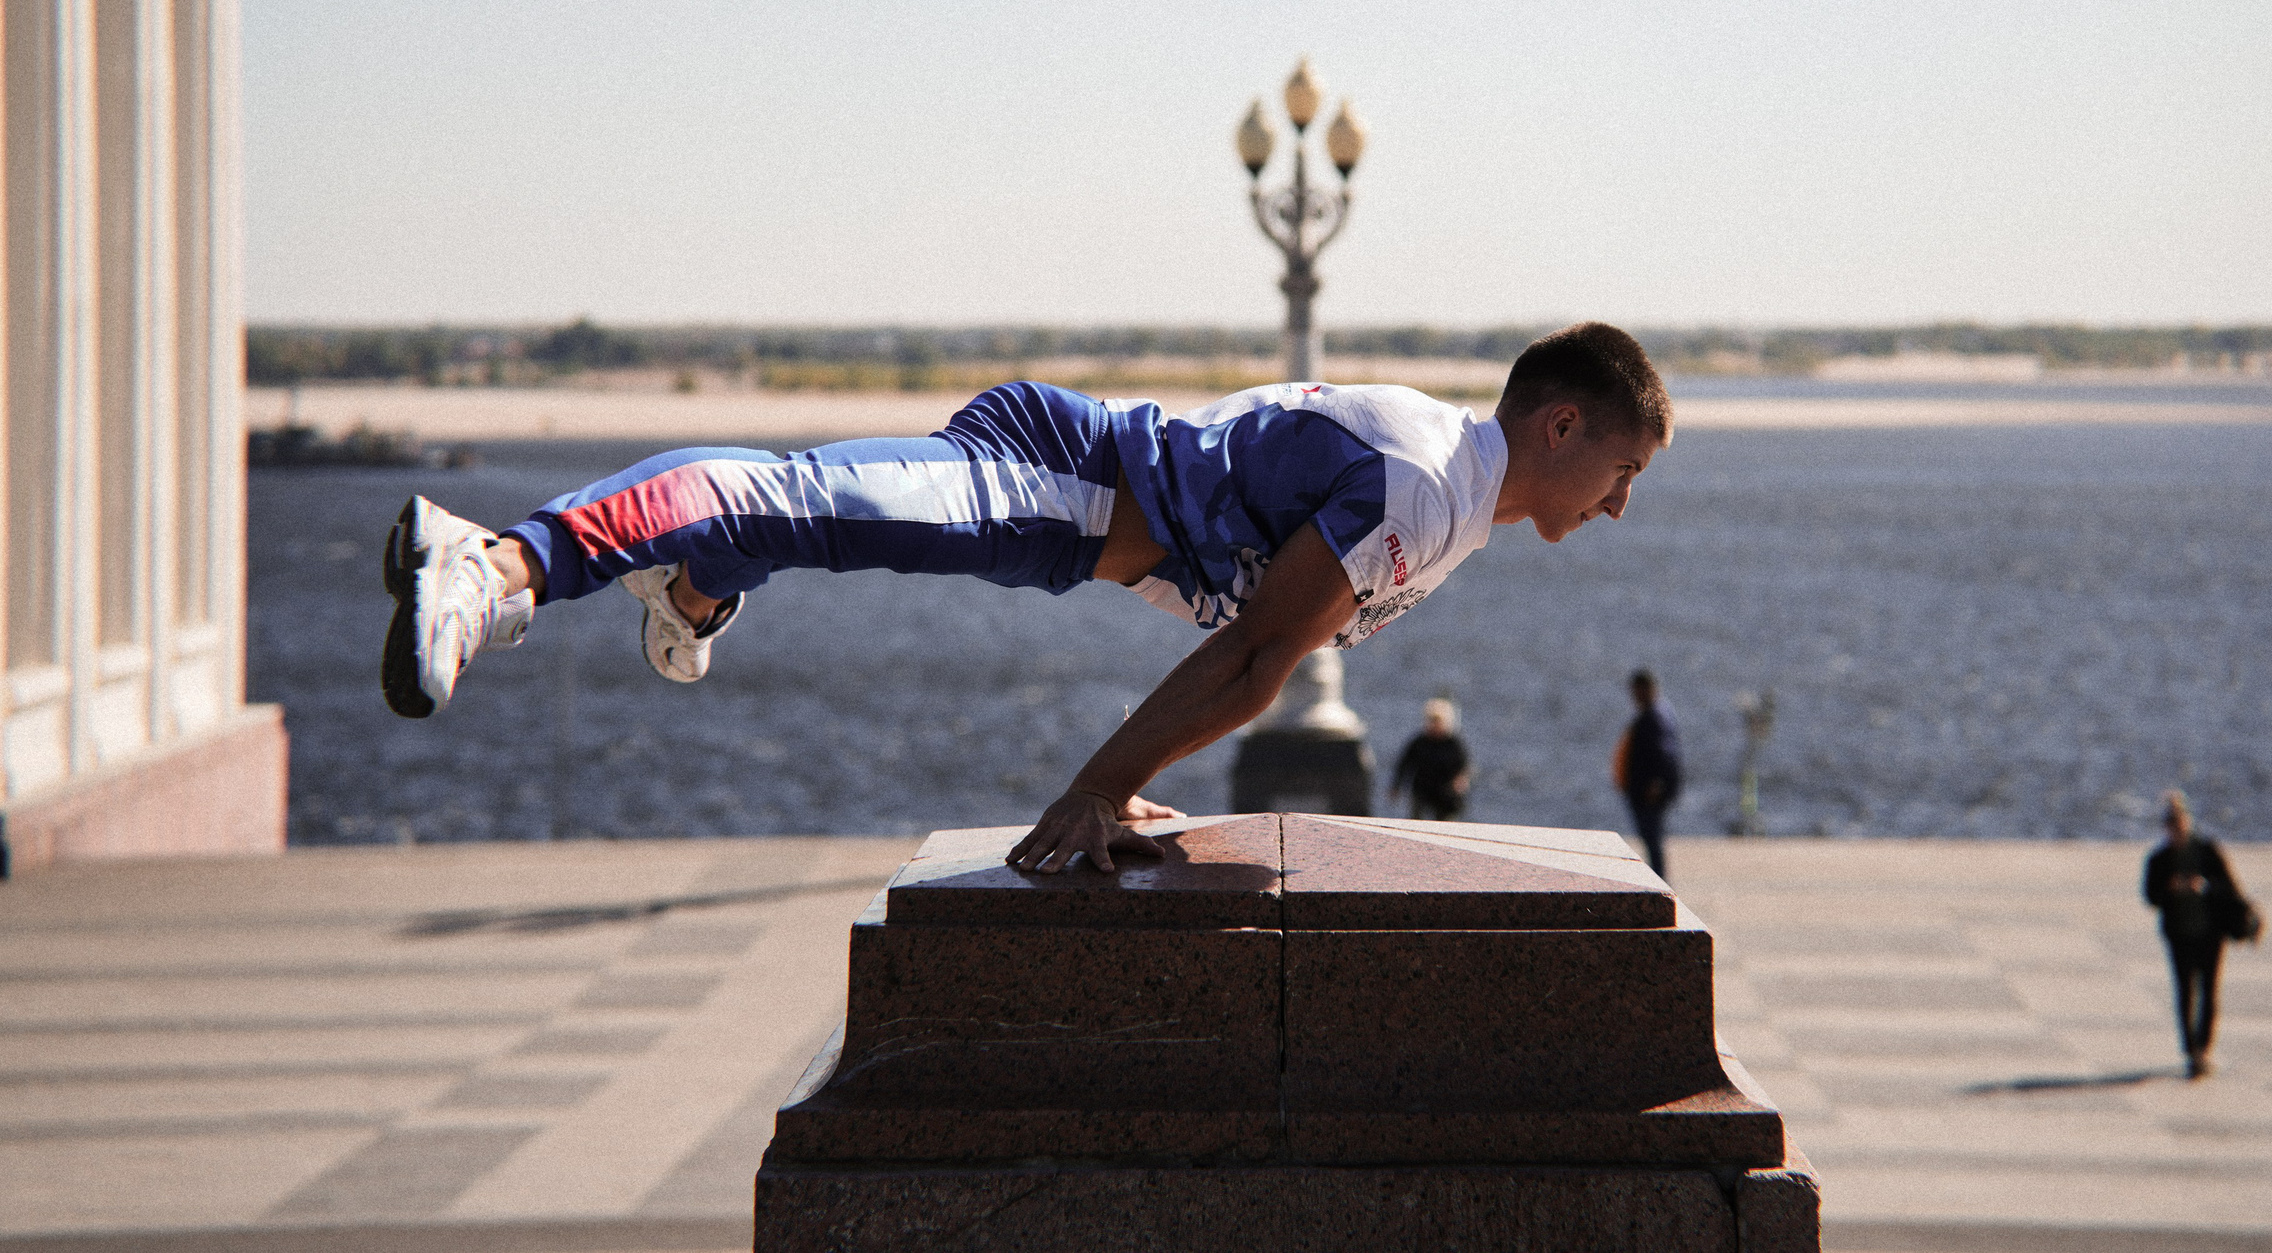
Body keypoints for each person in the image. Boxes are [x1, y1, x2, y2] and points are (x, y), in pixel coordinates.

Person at [379, 321, 1671, 876]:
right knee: (790, 499)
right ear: (1561, 425)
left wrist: (1129, 768)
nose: (1620, 502)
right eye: (1622, 469)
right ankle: (494, 566)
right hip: (1062, 482)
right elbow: (1260, 657)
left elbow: (1256, 642)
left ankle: (699, 585)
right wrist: (1105, 781)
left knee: (795, 523)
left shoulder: (1450, 486)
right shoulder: (1428, 484)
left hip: (1082, 515)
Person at [2142, 790, 2249, 1078]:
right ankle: (2191, 1050)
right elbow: (2150, 896)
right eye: (2171, 824)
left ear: (2187, 821)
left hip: (2211, 933)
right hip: (2179, 935)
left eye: (2180, 822)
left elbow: (2230, 888)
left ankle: (2203, 1047)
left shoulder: (2206, 851)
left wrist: (2203, 886)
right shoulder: (2159, 859)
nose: (2176, 828)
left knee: (2209, 991)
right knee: (2185, 991)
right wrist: (2170, 889)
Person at [1614, 667, 1682, 877]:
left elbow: (1665, 754)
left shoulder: (1655, 718)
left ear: (1648, 689)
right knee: (1652, 840)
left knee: (1653, 840)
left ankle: (1661, 888)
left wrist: (1657, 784)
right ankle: (1660, 884)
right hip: (1643, 792)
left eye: (1637, 690)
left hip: (1649, 794)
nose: (1634, 696)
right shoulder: (1656, 714)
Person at [1389, 697, 1472, 821]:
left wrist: (1460, 781)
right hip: (1422, 790)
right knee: (1416, 822)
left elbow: (1463, 766)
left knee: (1445, 825)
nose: (1434, 725)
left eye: (1438, 721)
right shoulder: (1419, 742)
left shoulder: (1454, 744)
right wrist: (1396, 786)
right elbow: (1405, 764)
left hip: (1445, 793)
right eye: (1431, 720)